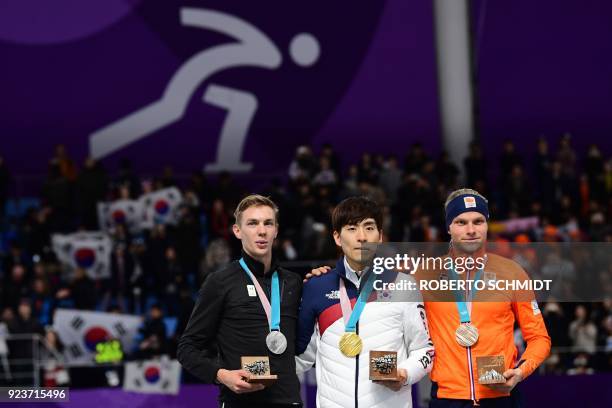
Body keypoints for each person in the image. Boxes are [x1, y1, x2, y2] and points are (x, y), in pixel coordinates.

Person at [296, 196, 434, 408]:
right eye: (351, 229)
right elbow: (301, 358)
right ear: (337, 237)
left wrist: (404, 374)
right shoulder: (317, 287)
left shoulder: (403, 285)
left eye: (369, 228)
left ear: (379, 236)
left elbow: (424, 350)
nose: (361, 237)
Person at [425, 188, 551, 407]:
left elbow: (539, 338)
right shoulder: (425, 275)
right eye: (461, 222)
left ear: (487, 225)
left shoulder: (512, 272)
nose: (471, 230)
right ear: (449, 227)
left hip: (501, 396)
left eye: (478, 221)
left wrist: (520, 372)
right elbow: (393, 328)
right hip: (447, 398)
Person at [177, 195, 303, 408]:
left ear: (276, 230)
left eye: (268, 223)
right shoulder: (220, 282)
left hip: (288, 401)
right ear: (237, 231)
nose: (261, 231)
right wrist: (221, 375)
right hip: (241, 403)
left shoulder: (293, 282)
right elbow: (187, 348)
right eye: (252, 223)